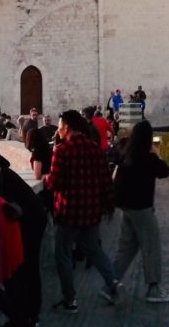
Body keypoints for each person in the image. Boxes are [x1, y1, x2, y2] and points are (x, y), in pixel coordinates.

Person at [44, 109, 120, 311]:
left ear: (67, 127)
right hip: (91, 211)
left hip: (68, 212)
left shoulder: (62, 150)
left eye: (60, 126)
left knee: (63, 254)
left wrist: (45, 178)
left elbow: (54, 183)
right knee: (94, 250)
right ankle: (113, 282)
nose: (58, 130)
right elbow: (105, 180)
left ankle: (70, 300)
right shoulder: (95, 148)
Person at [111, 120, 169, 304]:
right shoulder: (148, 158)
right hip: (143, 209)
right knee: (151, 247)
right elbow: (164, 172)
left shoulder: (125, 156)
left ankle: (109, 284)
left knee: (126, 248)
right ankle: (153, 288)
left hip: (126, 208)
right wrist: (155, 152)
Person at [0, 152, 48, 327]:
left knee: (22, 272)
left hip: (26, 222)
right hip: (32, 217)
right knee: (26, 270)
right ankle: (29, 318)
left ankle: (23, 323)